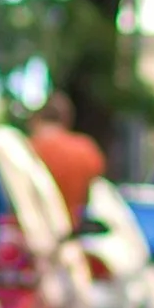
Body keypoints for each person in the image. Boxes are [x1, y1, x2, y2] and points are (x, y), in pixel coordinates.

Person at [28, 92, 106, 226]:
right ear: (67, 119)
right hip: (69, 229)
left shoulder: (25, 150)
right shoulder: (86, 149)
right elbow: (93, 193)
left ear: (36, 119)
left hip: (30, 230)